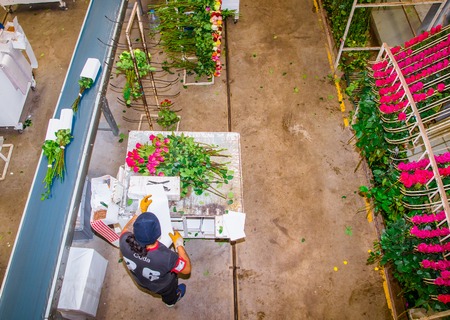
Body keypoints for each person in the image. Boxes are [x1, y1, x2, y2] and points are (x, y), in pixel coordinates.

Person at [119, 195, 191, 307]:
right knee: (169, 294)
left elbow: (125, 230)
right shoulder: (166, 257)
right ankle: (171, 301)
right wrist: (179, 244)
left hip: (140, 280)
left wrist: (139, 212)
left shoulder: (124, 240)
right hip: (163, 285)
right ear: (159, 233)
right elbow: (186, 270)